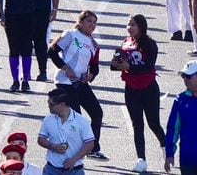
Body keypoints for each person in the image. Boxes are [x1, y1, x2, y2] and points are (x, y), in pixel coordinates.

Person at [111, 14, 165, 173]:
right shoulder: (125, 42)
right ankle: (141, 159)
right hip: (131, 89)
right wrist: (115, 64)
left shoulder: (150, 44)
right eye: (128, 24)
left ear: (141, 26)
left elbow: (149, 67)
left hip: (149, 88)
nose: (130, 27)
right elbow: (116, 65)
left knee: (153, 123)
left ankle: (165, 146)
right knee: (137, 124)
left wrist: (129, 67)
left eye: (133, 24)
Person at [46, 10, 104, 157]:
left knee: (97, 113)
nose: (92, 24)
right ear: (80, 22)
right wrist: (66, 68)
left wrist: (90, 75)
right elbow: (52, 51)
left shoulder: (94, 44)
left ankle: (92, 148)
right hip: (65, 82)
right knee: (76, 117)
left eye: (94, 22)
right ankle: (71, 150)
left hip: (80, 83)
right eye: (89, 21)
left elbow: (95, 67)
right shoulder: (70, 35)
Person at [36, 87, 96, 174]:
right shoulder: (48, 119)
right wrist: (52, 146)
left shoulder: (81, 121)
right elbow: (41, 139)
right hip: (51, 169)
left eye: (51, 104)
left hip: (75, 170)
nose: (48, 106)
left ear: (62, 104)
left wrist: (74, 160)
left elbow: (90, 144)